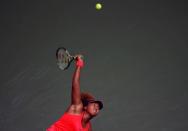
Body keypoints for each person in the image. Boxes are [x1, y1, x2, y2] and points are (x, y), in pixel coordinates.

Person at [46, 55, 103, 131]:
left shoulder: (88, 128)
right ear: (85, 107)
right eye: (94, 105)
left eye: (98, 108)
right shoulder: (76, 108)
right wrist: (79, 64)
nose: (97, 108)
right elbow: (75, 84)